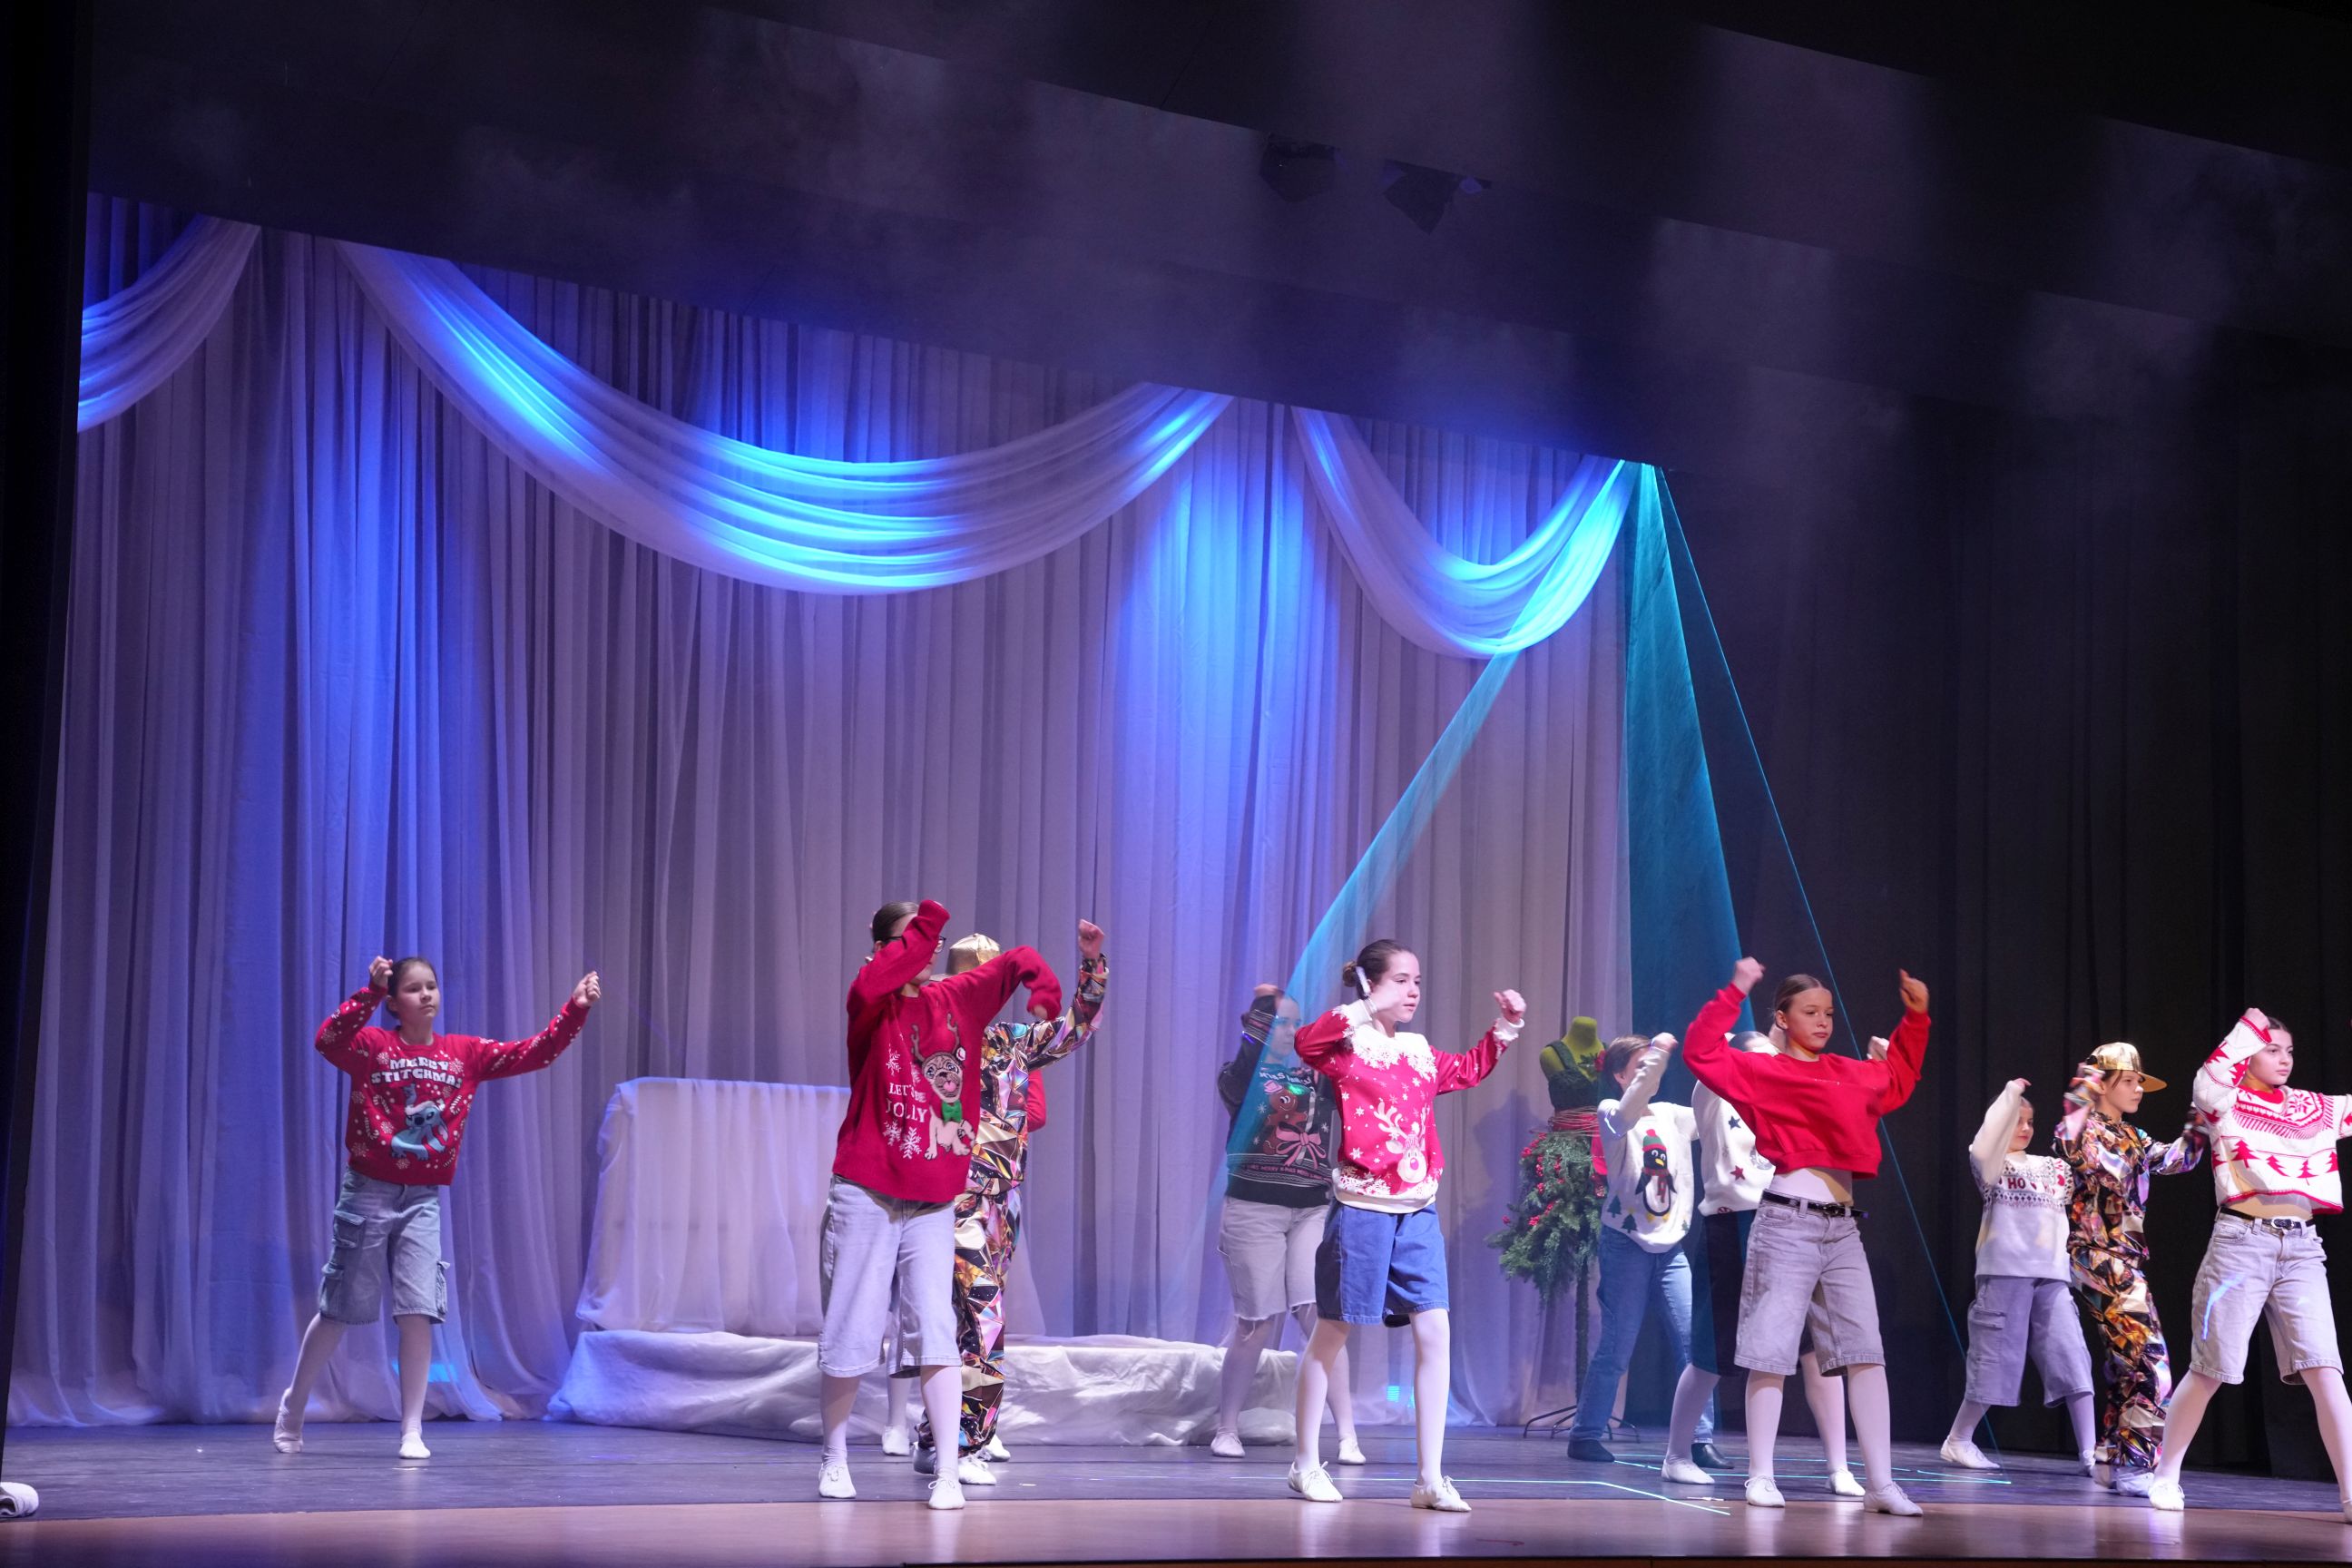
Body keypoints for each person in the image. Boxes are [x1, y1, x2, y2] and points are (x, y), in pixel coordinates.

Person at [274, 956, 599, 1459]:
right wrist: (368, 993)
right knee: (338, 1310)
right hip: (368, 1191)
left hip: (423, 1198)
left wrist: (574, 1009)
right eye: (412, 988)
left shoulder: (463, 1053)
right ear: (393, 1002)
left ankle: (411, 1430)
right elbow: (327, 1040)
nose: (426, 995)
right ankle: (293, 1407)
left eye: (431, 986)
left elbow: (535, 1053)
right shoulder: (373, 1046)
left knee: (418, 1312)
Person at [816, 899, 1059, 1511]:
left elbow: (1016, 961)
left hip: (931, 1198)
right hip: (867, 1189)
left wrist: (1043, 987)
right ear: (882, 950)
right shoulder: (869, 1000)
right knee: (852, 1329)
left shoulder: (954, 1000)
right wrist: (926, 924)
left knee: (937, 1331)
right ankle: (835, 1457)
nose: (925, 953)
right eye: (910, 943)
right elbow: (883, 976)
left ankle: (948, 1471)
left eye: (930, 944)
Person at [1680, 960, 1931, 1516]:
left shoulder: (1848, 1072)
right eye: (1810, 1012)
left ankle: (1882, 1485)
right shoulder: (1764, 1071)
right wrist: (1735, 990)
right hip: (1786, 1224)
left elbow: (1897, 1080)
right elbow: (1700, 1051)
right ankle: (1761, 1475)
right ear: (1782, 1018)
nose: (1822, 1022)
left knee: (1865, 1353)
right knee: (1770, 1352)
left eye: (1828, 1014)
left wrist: (1915, 1018)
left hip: (1843, 1229)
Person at [1285, 939, 1523, 1514]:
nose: (1413, 991)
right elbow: (1305, 1043)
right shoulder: (1346, 1046)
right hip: (1362, 1207)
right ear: (1370, 985)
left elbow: (1466, 1070)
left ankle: (1429, 1478)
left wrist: (1505, 1028)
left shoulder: (1416, 1050)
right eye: (1400, 980)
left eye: (1417, 980)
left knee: (1435, 1331)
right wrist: (1365, 1007)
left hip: (1417, 1208)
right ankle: (1304, 1462)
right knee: (1333, 1331)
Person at [913, 921, 1110, 1474]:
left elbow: (1076, 1027)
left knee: (975, 1321)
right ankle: (963, 1444)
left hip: (1001, 1199)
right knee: (982, 1319)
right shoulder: (932, 1036)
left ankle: (936, 1438)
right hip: (952, 1197)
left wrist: (1092, 966)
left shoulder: (1011, 1041)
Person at [2148, 1010, 2352, 1522]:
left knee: (2326, 1368)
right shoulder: (2226, 1102)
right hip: (2242, 1243)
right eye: (2271, 1049)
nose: (2284, 1059)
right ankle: (2165, 1474)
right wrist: (2249, 1027)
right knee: (2211, 1368)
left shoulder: (2313, 1107)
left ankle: (2351, 1493)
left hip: (2302, 1248)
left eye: (2289, 1051)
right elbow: (2207, 1079)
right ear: (2248, 1053)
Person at [1665, 1029, 1860, 1494]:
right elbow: (1707, 1059)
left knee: (1814, 1350)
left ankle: (1839, 1467)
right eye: (1757, 1059)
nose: (1768, 1066)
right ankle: (1676, 1454)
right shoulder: (1715, 1095)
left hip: (1787, 1223)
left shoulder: (1784, 1102)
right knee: (1712, 1352)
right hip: (1730, 1227)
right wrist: (1734, 1035)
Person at [1210, 985, 1364, 1465]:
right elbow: (1243, 1070)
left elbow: (1353, 1065)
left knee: (1318, 1316)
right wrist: (1260, 1015)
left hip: (1311, 1208)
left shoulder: (1318, 1076)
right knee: (1256, 1323)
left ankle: (1347, 1435)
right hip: (1254, 1207)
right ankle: (1227, 1427)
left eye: (1298, 1023)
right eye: (1282, 1023)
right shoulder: (1240, 1077)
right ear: (1260, 1028)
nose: (1292, 1031)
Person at [2055, 1040, 2202, 1494]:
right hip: (2097, 1257)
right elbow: (2069, 1139)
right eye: (2129, 1081)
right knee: (2151, 1362)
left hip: (2123, 1261)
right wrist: (2085, 1085)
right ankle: (2136, 1464)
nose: (2138, 1089)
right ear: (2103, 1085)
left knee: (2129, 1362)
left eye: (2140, 1081)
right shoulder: (2083, 1128)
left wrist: (2202, 1118)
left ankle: (2110, 1459)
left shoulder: (2134, 1136)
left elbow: (2179, 1159)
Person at [1565, 1034, 1712, 1465]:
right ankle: (1585, 1434)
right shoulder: (1611, 1112)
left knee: (1693, 1344)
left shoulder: (1671, 1116)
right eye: (1642, 1064)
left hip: (1672, 1248)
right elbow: (1631, 1107)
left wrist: (1722, 1059)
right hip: (1625, 1242)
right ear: (1619, 1074)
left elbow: (1714, 1112)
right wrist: (1660, 1054)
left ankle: (1699, 1439)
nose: (1652, 1071)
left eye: (1653, 1064)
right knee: (1617, 1346)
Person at [1940, 1080, 2096, 1472]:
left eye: (2030, 1121)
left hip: (2052, 1276)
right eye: (2016, 1121)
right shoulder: (1992, 1165)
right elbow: (1983, 1145)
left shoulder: (2054, 1168)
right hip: (2004, 1274)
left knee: (2072, 1356)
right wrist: (2010, 1095)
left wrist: (2083, 1097)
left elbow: (2080, 1152)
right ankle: (1958, 1439)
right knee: (1995, 1360)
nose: (2025, 1128)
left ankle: (2090, 1452)